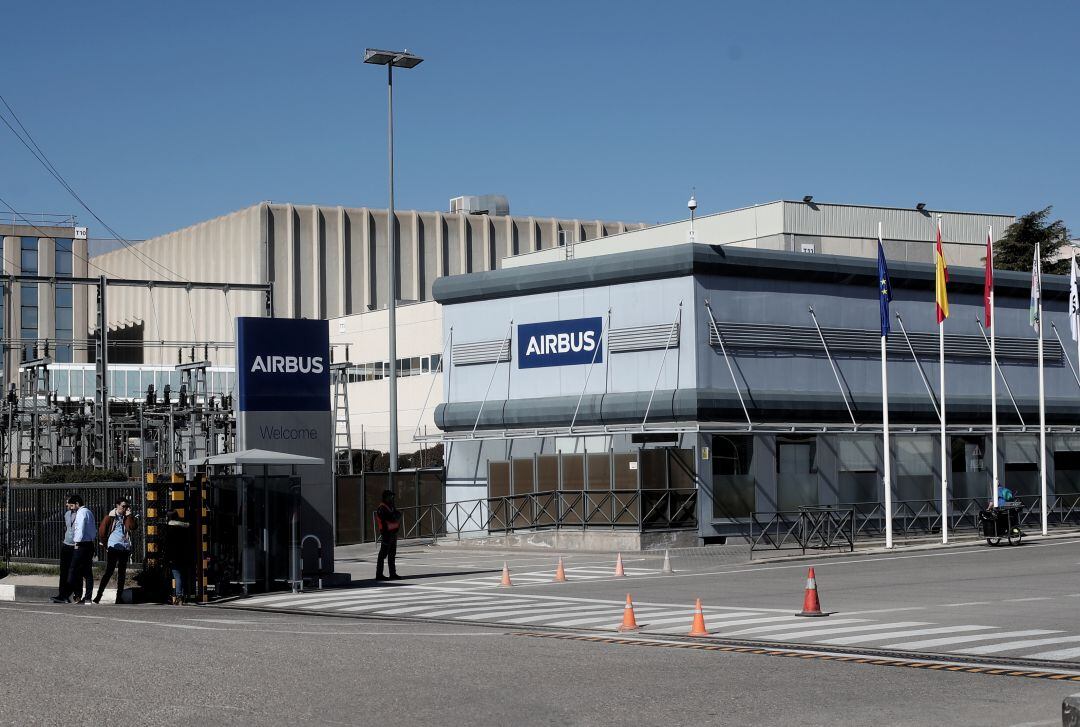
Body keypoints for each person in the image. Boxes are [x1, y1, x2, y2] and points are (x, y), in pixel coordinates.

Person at [93, 497, 137, 604]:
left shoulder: (127, 517)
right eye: (123, 506)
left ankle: (119, 597)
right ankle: (99, 595)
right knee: (109, 571)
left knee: (122, 573)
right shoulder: (110, 517)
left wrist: (129, 515)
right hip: (113, 546)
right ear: (117, 506)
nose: (125, 508)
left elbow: (132, 527)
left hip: (124, 547)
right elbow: (102, 532)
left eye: (127, 506)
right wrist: (106, 545)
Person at [66, 495, 97, 604]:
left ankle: (70, 594)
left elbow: (80, 528)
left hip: (81, 545)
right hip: (90, 544)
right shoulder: (89, 512)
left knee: (73, 569)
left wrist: (76, 542)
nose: (71, 508)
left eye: (72, 505)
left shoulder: (81, 513)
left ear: (77, 503)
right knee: (87, 572)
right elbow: (93, 529)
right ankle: (87, 597)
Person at [50, 497, 80, 603]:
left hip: (76, 546)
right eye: (67, 504)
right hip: (66, 544)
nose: (68, 506)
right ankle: (62, 595)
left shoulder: (81, 514)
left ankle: (76, 594)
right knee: (64, 571)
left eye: (69, 503)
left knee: (75, 571)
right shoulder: (67, 514)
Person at [163, 510, 192, 605]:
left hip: (173, 556)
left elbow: (167, 545)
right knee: (182, 575)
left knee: (176, 575)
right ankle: (183, 594)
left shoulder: (169, 529)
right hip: (185, 555)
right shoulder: (185, 527)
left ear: (168, 517)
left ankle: (178, 596)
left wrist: (166, 557)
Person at [374, 490, 402, 581]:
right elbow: (387, 518)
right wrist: (394, 516)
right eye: (390, 496)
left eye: (392, 496)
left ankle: (392, 574)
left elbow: (397, 514)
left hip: (393, 532)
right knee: (382, 555)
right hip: (386, 533)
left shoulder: (391, 506)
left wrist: (395, 515)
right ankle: (379, 574)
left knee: (392, 554)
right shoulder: (382, 507)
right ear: (386, 497)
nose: (392, 498)